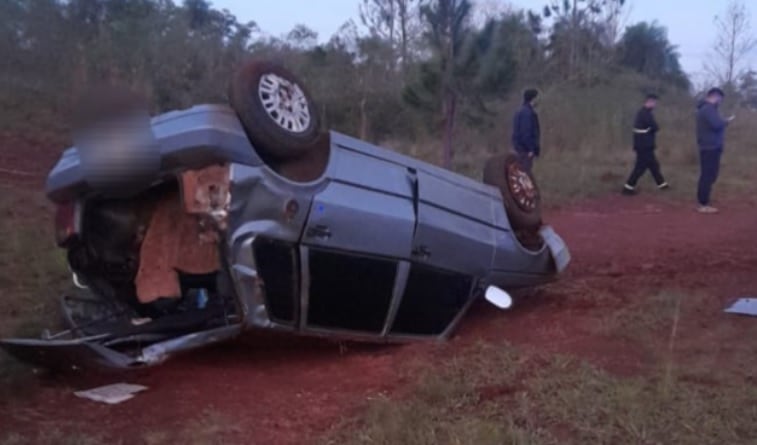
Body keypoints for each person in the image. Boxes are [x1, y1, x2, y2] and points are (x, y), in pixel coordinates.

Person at [695, 87, 734, 214]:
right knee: (708, 175)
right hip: (710, 146)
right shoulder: (708, 109)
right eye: (720, 98)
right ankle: (703, 203)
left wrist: (722, 121)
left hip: (710, 146)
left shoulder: (706, 109)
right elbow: (717, 125)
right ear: (715, 96)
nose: (720, 101)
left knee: (710, 174)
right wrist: (726, 121)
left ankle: (703, 201)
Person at [622, 93, 669, 195]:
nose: (655, 105)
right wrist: (651, 129)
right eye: (654, 102)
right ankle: (628, 188)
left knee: (653, 165)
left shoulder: (644, 113)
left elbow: (654, 128)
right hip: (644, 145)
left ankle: (662, 185)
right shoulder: (645, 114)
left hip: (644, 145)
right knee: (640, 167)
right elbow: (655, 127)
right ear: (649, 102)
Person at [511, 88, 541, 173]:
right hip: (525, 151)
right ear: (533, 98)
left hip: (519, 149)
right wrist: (531, 149)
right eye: (537, 98)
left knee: (520, 173)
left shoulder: (519, 111)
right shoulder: (527, 113)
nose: (538, 100)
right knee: (525, 174)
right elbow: (526, 133)